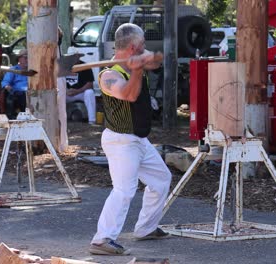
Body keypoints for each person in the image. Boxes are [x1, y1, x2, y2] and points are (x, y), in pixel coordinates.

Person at [89, 23, 171, 256]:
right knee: (124, 190)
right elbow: (128, 94)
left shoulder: (137, 57)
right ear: (133, 46)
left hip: (139, 140)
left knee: (161, 179)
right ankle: (101, 240)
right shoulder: (109, 74)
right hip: (121, 141)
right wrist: (136, 70)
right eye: (143, 45)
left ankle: (146, 228)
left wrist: (150, 59)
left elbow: (155, 62)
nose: (145, 48)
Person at [65, 47, 97, 124]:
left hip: (80, 92)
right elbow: (58, 82)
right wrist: (65, 91)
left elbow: (90, 84)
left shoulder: (85, 66)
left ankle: (92, 120)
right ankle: (59, 120)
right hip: (67, 93)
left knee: (89, 92)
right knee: (57, 95)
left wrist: (77, 91)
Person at [1, 49, 28, 119]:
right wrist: (8, 87)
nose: (27, 60)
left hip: (32, 94)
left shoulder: (33, 70)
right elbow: (5, 82)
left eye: (29, 58)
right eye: (25, 58)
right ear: (19, 59)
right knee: (18, 96)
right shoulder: (14, 70)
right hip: (19, 95)